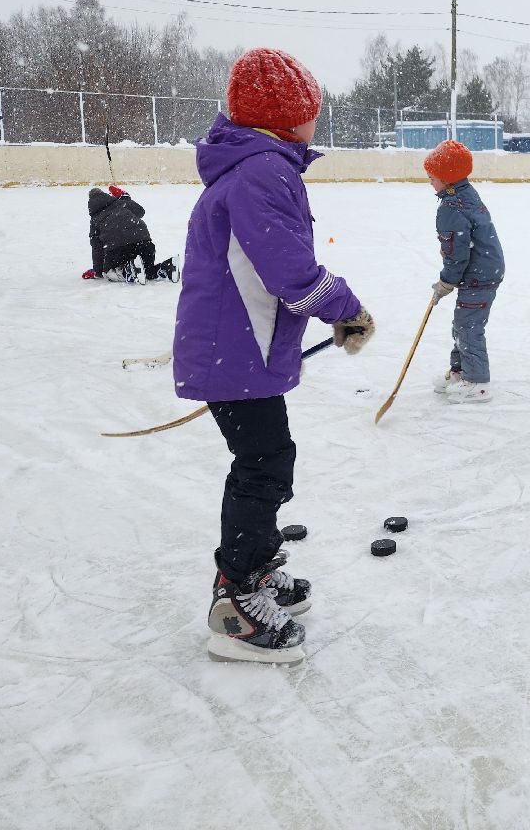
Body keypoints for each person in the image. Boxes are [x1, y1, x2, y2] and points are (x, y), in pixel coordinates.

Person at [173, 47, 375, 664]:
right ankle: (235, 598)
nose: (318, 120)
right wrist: (343, 308)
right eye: (312, 110)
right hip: (234, 354)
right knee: (264, 465)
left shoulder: (254, 165)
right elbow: (289, 270)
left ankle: (256, 570)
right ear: (288, 118)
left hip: (239, 350)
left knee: (267, 458)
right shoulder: (264, 171)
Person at [425, 139, 505, 403]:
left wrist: (446, 282)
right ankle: (461, 372)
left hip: (478, 275)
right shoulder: (465, 194)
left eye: (433, 177)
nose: (430, 182)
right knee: (462, 324)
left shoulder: (451, 208)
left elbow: (456, 254)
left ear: (447, 180)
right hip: (482, 270)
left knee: (468, 327)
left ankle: (477, 383)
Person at [83, 185, 177, 283]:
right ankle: (167, 268)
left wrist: (97, 271)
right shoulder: (121, 203)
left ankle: (128, 272)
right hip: (145, 245)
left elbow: (97, 248)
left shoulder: (94, 220)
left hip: (120, 251)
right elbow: (141, 211)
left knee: (109, 272)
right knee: (146, 270)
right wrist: (125, 198)